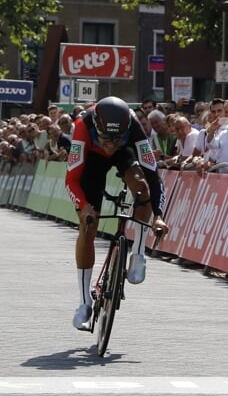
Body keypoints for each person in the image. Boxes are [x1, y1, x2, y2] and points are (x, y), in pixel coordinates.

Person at [65, 97, 168, 331]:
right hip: (92, 159)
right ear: (97, 128)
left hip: (126, 154)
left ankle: (139, 254)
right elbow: (71, 180)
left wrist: (159, 215)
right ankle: (84, 302)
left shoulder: (133, 126)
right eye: (106, 138)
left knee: (142, 187)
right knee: (87, 227)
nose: (111, 144)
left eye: (116, 138)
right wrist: (84, 205)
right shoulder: (83, 127)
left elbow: (154, 176)